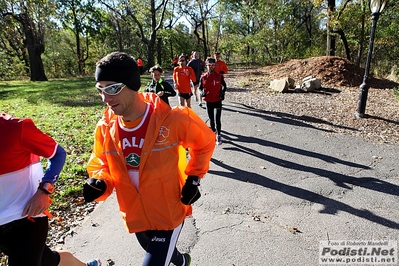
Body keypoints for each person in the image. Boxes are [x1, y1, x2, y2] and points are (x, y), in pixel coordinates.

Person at [83, 51, 215, 266]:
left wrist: (193, 178)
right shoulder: (105, 127)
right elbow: (100, 163)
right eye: (100, 90)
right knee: (157, 251)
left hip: (168, 212)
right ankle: (182, 261)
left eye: (113, 89)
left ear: (133, 85)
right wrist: (100, 182)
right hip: (136, 213)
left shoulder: (173, 120)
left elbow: (205, 142)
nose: (105, 98)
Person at [0, 113, 101, 266]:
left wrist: (44, 190)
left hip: (25, 218)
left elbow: (58, 154)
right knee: (48, 260)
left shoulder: (16, 128)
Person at [198, 57, 227, 146]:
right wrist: (202, 92)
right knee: (211, 119)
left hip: (217, 100)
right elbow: (200, 88)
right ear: (206, 66)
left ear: (215, 66)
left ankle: (219, 135)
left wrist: (222, 93)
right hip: (208, 101)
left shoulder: (219, 76)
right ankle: (213, 132)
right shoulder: (203, 77)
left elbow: (224, 86)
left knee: (217, 118)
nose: (211, 67)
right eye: (209, 65)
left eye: (213, 65)